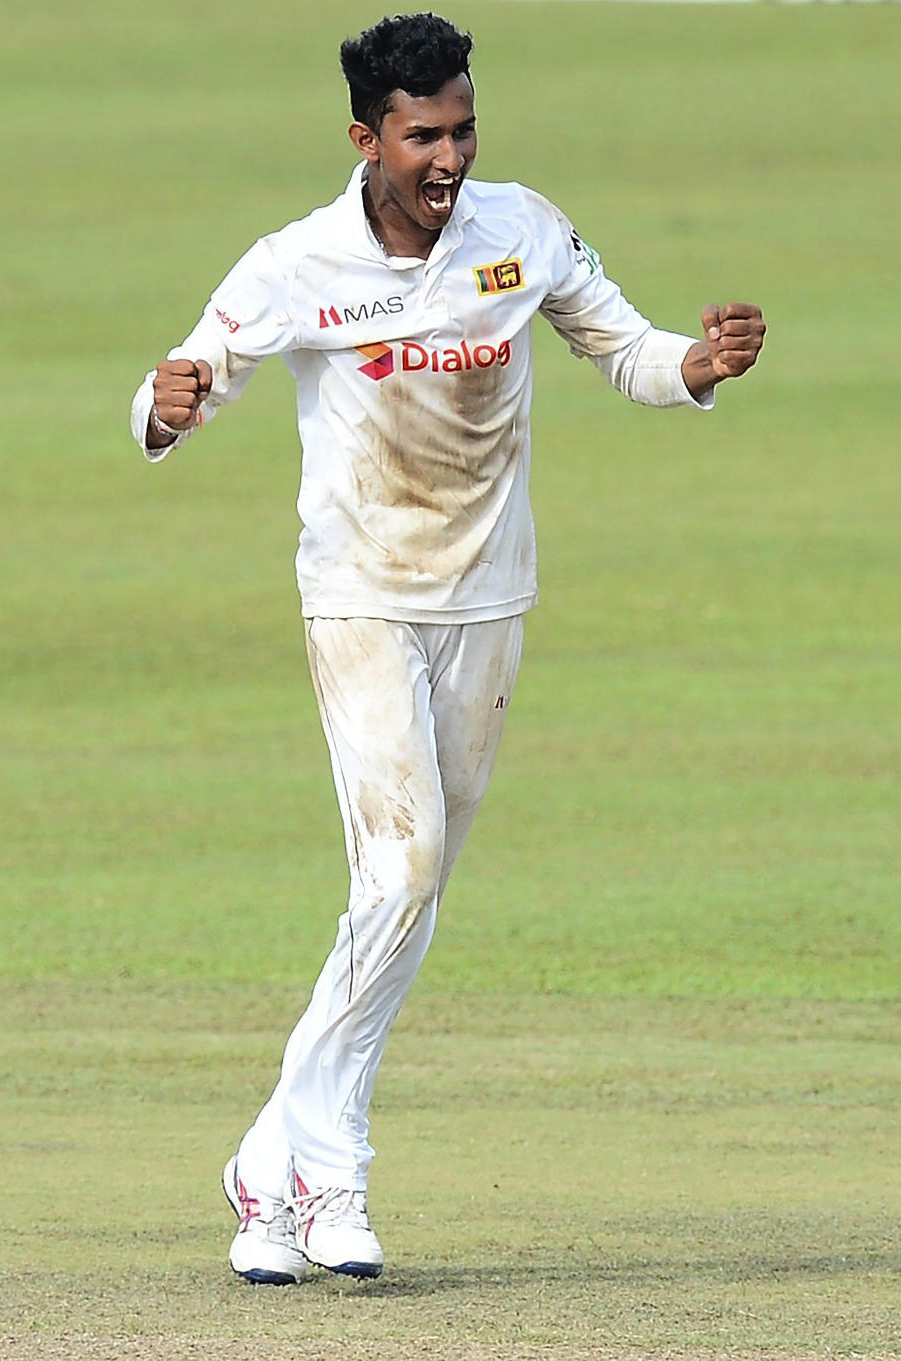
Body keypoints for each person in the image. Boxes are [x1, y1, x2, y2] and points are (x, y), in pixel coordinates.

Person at [129, 12, 765, 1287]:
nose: (452, 155)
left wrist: (692, 363)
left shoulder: (521, 228)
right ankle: (337, 1167)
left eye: (465, 127)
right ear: (366, 137)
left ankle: (268, 1169)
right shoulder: (296, 262)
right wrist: (167, 404)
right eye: (425, 134)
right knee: (404, 871)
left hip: (489, 603)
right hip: (359, 596)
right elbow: (184, 377)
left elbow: (621, 345)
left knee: (402, 899)